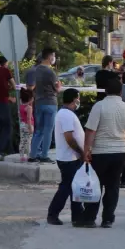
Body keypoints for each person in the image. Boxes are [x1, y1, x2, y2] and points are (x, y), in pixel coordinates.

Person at [81, 73, 125, 229]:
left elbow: (90, 131)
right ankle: (108, 219)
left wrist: (86, 150)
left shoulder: (99, 106)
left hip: (100, 153)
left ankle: (89, 218)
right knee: (113, 187)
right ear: (121, 92)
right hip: (120, 152)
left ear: (105, 91)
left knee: (96, 186)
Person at [47, 89, 86, 226]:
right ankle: (53, 214)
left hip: (71, 157)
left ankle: (77, 215)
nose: (78, 102)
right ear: (74, 99)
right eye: (78, 99)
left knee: (73, 187)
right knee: (66, 187)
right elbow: (69, 138)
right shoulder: (66, 115)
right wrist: (81, 152)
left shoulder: (67, 114)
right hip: (68, 158)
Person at [29, 48, 61, 163]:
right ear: (49, 57)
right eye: (53, 56)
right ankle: (44, 155)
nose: (54, 58)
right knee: (48, 130)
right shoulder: (50, 72)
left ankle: (32, 155)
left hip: (38, 102)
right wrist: (59, 88)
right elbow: (56, 88)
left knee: (39, 130)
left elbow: (31, 86)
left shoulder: (35, 70)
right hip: (50, 103)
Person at [18, 88, 34, 161]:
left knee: (22, 140)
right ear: (30, 99)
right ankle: (28, 156)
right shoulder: (29, 108)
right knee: (28, 141)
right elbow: (28, 118)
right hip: (28, 125)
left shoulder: (21, 106)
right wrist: (30, 127)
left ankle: (21, 156)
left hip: (22, 125)